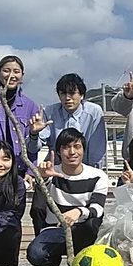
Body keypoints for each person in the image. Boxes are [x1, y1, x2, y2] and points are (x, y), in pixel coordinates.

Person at [27, 128, 110, 266]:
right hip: (56, 229)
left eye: (77, 147)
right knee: (35, 255)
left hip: (83, 229)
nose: (72, 152)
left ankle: (83, 264)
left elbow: (98, 208)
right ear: (58, 152)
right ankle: (50, 263)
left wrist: (78, 212)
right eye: (66, 147)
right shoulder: (51, 172)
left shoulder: (98, 176)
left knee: (93, 223)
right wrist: (43, 178)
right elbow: (40, 201)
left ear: (84, 150)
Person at [27, 73, 106, 235]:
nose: (67, 98)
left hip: (84, 173)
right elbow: (34, 148)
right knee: (37, 208)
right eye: (63, 93)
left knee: (91, 215)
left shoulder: (94, 112)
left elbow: (97, 149)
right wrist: (34, 134)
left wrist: (92, 177)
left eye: (72, 93)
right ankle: (42, 240)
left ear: (82, 95)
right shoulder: (49, 112)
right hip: (54, 173)